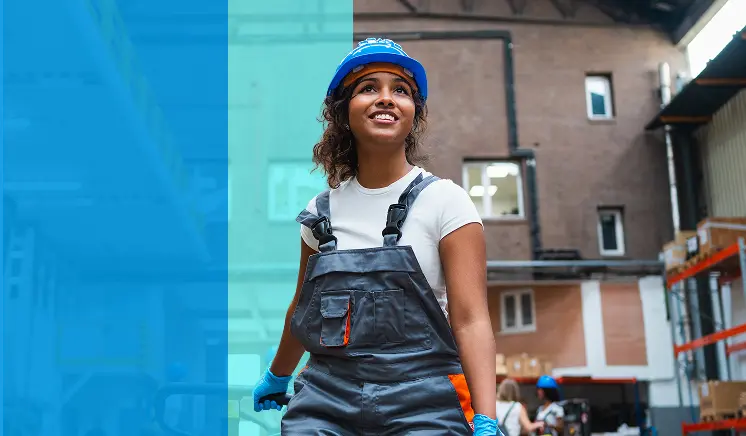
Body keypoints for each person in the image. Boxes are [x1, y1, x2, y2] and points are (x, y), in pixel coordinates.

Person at [251, 37, 498, 435]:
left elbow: (471, 320)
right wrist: (279, 374)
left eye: (400, 90)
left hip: (426, 400)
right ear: (343, 114)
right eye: (369, 88)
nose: (386, 98)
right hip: (326, 398)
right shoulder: (319, 216)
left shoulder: (446, 202)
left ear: (413, 113)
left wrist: (487, 416)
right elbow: (303, 308)